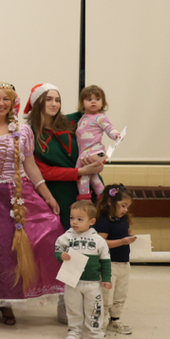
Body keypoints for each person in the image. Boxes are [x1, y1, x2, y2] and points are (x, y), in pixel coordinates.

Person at [0, 82, 63, 325]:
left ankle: (9, 305)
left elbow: (30, 165)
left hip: (16, 193)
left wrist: (47, 195)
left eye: (6, 99)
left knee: (15, 248)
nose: (1, 103)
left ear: (13, 102)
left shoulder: (23, 131)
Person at [25, 83, 105, 232]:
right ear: (37, 102)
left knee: (100, 235)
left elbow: (94, 141)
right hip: (61, 195)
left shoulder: (74, 121)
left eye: (57, 100)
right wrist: (79, 172)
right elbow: (43, 171)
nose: (54, 104)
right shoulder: (30, 134)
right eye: (48, 99)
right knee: (71, 239)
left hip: (90, 188)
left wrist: (99, 161)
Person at [55, 200, 112, 339]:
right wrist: (61, 256)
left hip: (93, 283)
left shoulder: (98, 240)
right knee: (73, 308)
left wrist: (106, 278)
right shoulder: (65, 237)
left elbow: (105, 261)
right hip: (72, 282)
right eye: (72, 218)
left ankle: (96, 335)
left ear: (91, 221)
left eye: (80, 219)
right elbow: (57, 252)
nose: (74, 222)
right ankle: (74, 332)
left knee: (94, 309)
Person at [95, 183, 136, 335]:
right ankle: (99, 323)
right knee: (106, 296)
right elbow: (100, 243)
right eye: (123, 206)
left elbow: (124, 233)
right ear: (110, 202)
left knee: (120, 293)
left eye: (127, 207)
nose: (125, 210)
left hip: (123, 263)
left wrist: (129, 237)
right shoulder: (104, 221)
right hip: (109, 264)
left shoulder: (123, 219)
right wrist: (122, 241)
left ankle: (115, 320)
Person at [75, 85, 122, 200]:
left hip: (94, 151)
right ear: (82, 103)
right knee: (92, 175)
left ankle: (84, 199)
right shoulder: (83, 118)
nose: (93, 102)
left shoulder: (100, 117)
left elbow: (109, 128)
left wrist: (116, 135)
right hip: (89, 152)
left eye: (97, 99)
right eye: (89, 99)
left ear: (103, 103)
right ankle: (103, 197)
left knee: (81, 173)